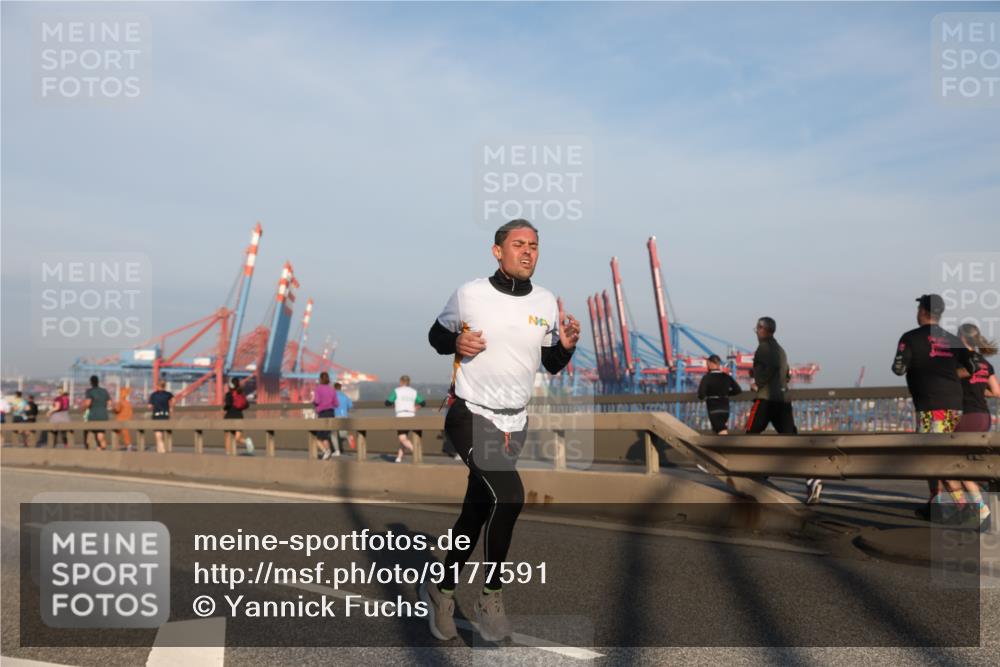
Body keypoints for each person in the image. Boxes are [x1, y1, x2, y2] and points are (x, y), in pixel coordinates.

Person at [420, 219, 579, 642]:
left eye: (534, 246)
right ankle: (490, 598)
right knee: (510, 496)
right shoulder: (471, 293)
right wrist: (456, 344)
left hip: (515, 421)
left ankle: (441, 589)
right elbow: (436, 335)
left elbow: (551, 364)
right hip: (470, 412)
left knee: (476, 511)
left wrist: (565, 346)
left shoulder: (545, 301)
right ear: (497, 251)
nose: (528, 252)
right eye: (519, 244)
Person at [892, 294, 972, 521]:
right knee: (935, 456)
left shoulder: (909, 337)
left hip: (931, 406)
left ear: (923, 312)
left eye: (918, 309)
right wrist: (950, 376)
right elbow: (973, 367)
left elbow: (898, 369)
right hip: (955, 405)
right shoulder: (951, 339)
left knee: (936, 459)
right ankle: (935, 504)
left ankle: (964, 507)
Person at [744, 318, 815, 500]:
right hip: (782, 400)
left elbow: (766, 372)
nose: (756, 332)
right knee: (790, 440)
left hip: (766, 399)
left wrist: (757, 383)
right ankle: (811, 476)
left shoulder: (764, 348)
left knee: (750, 435)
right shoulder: (781, 350)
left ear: (764, 330)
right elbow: (788, 374)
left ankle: (754, 475)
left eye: (757, 329)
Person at [953, 322, 1000, 523]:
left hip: (967, 415)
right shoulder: (985, 363)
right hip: (983, 417)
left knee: (956, 465)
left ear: (962, 338)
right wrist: (980, 391)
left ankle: (980, 509)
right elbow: (997, 392)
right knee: (973, 462)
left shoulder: (960, 361)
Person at [696, 354, 742, 434]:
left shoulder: (707, 378)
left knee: (721, 430)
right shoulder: (726, 376)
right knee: (717, 429)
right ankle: (718, 446)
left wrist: (707, 395)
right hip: (725, 407)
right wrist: (726, 394)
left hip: (713, 407)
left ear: (710, 364)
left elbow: (701, 394)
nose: (707, 366)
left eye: (707, 364)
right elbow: (738, 390)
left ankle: (728, 446)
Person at [385, 375, 426, 463]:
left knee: (402, 438)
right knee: (404, 438)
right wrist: (416, 407)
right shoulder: (413, 391)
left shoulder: (397, 391)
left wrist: (395, 404)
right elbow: (423, 402)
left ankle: (415, 450)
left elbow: (388, 402)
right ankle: (399, 458)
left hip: (401, 416)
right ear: (409, 382)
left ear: (400, 382)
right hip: (411, 415)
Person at [311, 371, 340, 459]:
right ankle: (328, 452)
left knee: (317, 438)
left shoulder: (318, 389)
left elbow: (317, 401)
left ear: (320, 379)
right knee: (325, 436)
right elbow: (336, 404)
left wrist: (314, 403)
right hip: (331, 413)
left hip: (322, 414)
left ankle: (325, 451)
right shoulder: (332, 389)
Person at [223, 378, 252, 455]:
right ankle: (246, 441)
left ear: (230, 385)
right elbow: (247, 405)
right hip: (239, 416)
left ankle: (228, 453)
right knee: (237, 438)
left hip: (229, 416)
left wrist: (224, 408)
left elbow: (228, 405)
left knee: (228, 436)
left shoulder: (228, 394)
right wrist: (239, 407)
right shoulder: (241, 394)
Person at [83, 376, 110, 450]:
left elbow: (87, 403)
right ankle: (102, 448)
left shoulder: (90, 391)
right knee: (100, 435)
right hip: (103, 415)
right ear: (98, 381)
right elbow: (109, 403)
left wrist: (83, 409)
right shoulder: (104, 391)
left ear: (91, 382)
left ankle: (89, 449)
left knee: (89, 433)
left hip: (93, 416)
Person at [148, 380, 175, 454]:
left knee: (158, 434)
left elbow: (150, 406)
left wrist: (153, 405)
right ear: (165, 386)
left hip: (156, 415)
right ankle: (159, 450)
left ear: (157, 386)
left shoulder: (153, 395)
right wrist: (171, 407)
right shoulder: (168, 394)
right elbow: (173, 400)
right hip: (165, 415)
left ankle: (161, 450)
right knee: (164, 433)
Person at [333, 382, 355, 453]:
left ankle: (337, 451)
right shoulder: (345, 396)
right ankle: (348, 437)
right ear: (340, 388)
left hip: (336, 415)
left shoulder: (333, 396)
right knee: (342, 433)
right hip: (344, 415)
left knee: (333, 434)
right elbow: (351, 405)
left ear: (334, 388)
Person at [113, 387, 134, 451]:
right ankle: (128, 445)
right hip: (127, 419)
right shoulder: (128, 403)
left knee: (117, 433)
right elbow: (130, 412)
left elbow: (117, 410)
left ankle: (123, 445)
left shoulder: (120, 402)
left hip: (120, 420)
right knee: (125, 433)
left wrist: (113, 409)